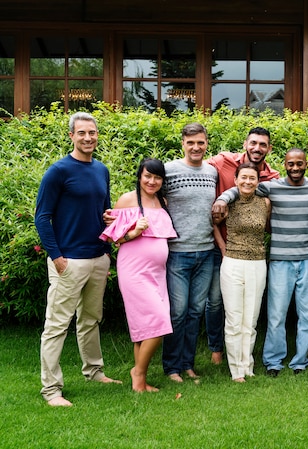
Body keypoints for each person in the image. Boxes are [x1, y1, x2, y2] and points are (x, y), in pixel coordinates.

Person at [215, 148, 308, 376]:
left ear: (306, 164)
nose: (295, 168)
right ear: (283, 165)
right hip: (279, 259)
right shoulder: (271, 187)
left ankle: (300, 361)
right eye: (290, 164)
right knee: (276, 314)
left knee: (307, 315)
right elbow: (241, 189)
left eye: (299, 163)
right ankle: (273, 361)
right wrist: (222, 198)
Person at [35, 112, 121, 407]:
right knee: (57, 325)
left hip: (97, 258)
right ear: (71, 135)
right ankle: (51, 390)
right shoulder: (58, 171)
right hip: (68, 261)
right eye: (82, 133)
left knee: (90, 319)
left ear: (97, 136)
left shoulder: (101, 170)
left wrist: (108, 237)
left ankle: (94, 371)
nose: (88, 138)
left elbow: (104, 210)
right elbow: (42, 217)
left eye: (92, 133)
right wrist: (56, 257)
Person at [100, 158, 177, 392]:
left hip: (157, 272)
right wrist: (134, 231)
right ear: (139, 176)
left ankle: (141, 382)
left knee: (144, 326)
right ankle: (138, 373)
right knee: (161, 322)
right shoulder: (127, 200)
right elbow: (115, 239)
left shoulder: (161, 201)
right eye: (148, 176)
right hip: (134, 269)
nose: (152, 181)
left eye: (157, 177)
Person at [206, 127, 280, 365]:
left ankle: (243, 359)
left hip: (251, 255)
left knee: (248, 310)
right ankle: (217, 349)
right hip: (222, 247)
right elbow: (195, 168)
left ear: (269, 148)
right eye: (254, 143)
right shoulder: (222, 161)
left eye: (263, 145)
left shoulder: (272, 177)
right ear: (245, 143)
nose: (257, 148)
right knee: (217, 302)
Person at [161, 123, 219, 382]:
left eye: (201, 142)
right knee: (178, 311)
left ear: (207, 143)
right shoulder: (169, 170)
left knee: (196, 311)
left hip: (206, 251)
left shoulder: (212, 172)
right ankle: (172, 366)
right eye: (191, 142)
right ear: (182, 143)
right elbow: (149, 197)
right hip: (177, 252)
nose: (196, 147)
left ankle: (188, 364)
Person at [213, 163, 271, 382]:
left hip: (258, 263)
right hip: (233, 263)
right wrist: (223, 248)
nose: (248, 182)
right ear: (236, 180)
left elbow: (269, 228)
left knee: (251, 319)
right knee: (234, 318)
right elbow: (214, 224)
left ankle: (248, 365)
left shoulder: (264, 203)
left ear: (258, 181)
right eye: (243, 178)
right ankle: (235, 370)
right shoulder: (228, 203)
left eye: (252, 178)